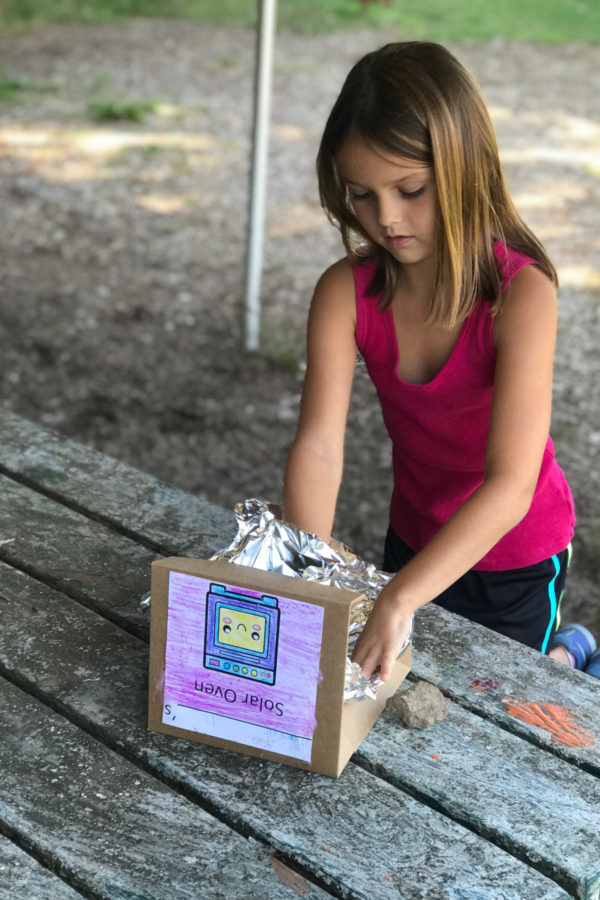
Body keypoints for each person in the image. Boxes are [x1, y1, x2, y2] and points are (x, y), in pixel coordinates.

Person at [281, 41, 593, 681]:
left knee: (504, 701)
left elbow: (511, 485)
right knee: (406, 689)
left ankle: (570, 654)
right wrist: (309, 572)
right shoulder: (344, 291)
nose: (385, 219)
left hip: (517, 555)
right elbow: (317, 446)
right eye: (361, 195)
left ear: (465, 167)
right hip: (415, 536)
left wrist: (398, 597)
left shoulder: (522, 295)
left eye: (411, 189)